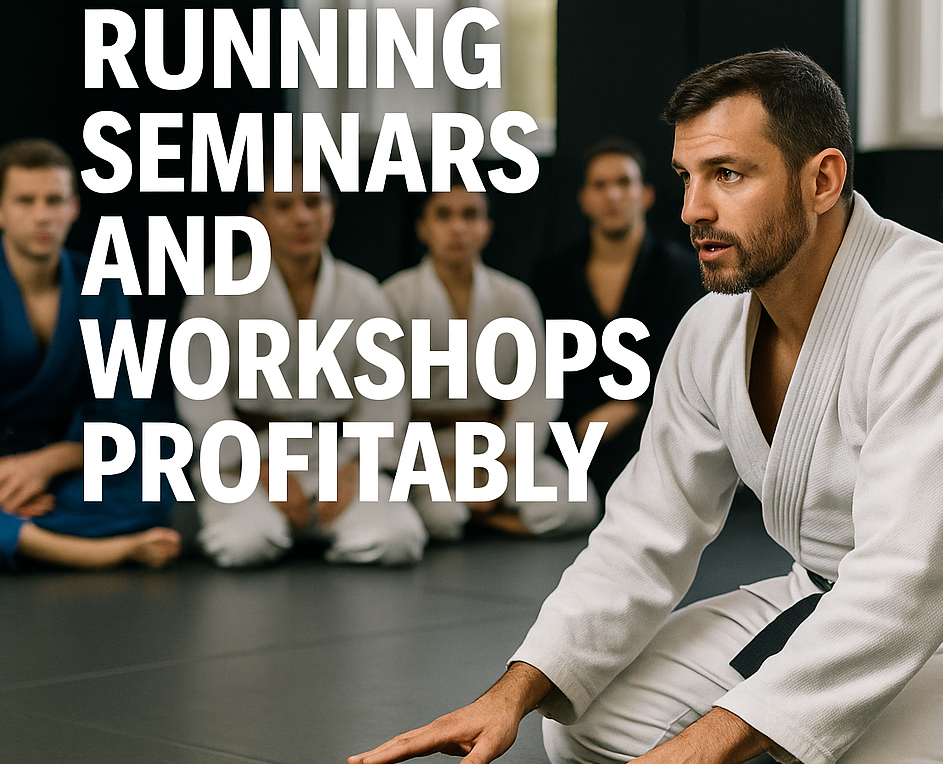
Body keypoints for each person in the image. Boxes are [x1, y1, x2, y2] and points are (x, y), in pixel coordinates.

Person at [348, 50, 943, 764]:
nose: (693, 209)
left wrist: (710, 742)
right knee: (581, 734)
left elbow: (910, 578)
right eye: (685, 177)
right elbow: (643, 530)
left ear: (821, 179)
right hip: (826, 595)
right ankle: (809, 724)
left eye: (729, 175)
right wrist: (513, 690)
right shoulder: (712, 329)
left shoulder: (942, 316)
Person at [176, 163, 427, 567]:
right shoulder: (217, 289)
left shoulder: (362, 293)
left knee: (398, 540)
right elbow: (201, 393)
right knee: (245, 545)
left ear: (331, 210)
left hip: (338, 454)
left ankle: (309, 529)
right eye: (284, 205)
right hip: (247, 458)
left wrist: (355, 467)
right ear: (257, 216)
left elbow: (385, 397)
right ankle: (291, 529)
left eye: (314, 202)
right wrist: (259, 468)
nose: (302, 217)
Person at [0, 138, 180, 569]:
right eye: (25, 201)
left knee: (155, 483)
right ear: (1, 209)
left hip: (65, 461)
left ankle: (20, 536)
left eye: (54, 200)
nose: (42, 215)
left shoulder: (103, 284)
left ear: (74, 207)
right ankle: (93, 551)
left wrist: (46, 464)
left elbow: (124, 408)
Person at [382, 183, 599, 540]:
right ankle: (477, 515)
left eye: (470, 215)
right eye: (444, 215)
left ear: (487, 228)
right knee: (441, 519)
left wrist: (498, 462)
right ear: (423, 229)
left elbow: (536, 389)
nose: (457, 228)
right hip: (423, 452)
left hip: (494, 447)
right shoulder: (393, 298)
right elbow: (383, 401)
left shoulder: (513, 298)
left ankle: (481, 519)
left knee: (578, 504)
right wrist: (440, 467)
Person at [533, 139, 703, 497]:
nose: (612, 194)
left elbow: (689, 362)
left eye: (624, 183)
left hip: (655, 426)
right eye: (600, 184)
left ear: (646, 195)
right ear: (584, 199)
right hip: (569, 431)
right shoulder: (552, 276)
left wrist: (629, 406)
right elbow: (544, 363)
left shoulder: (684, 274)